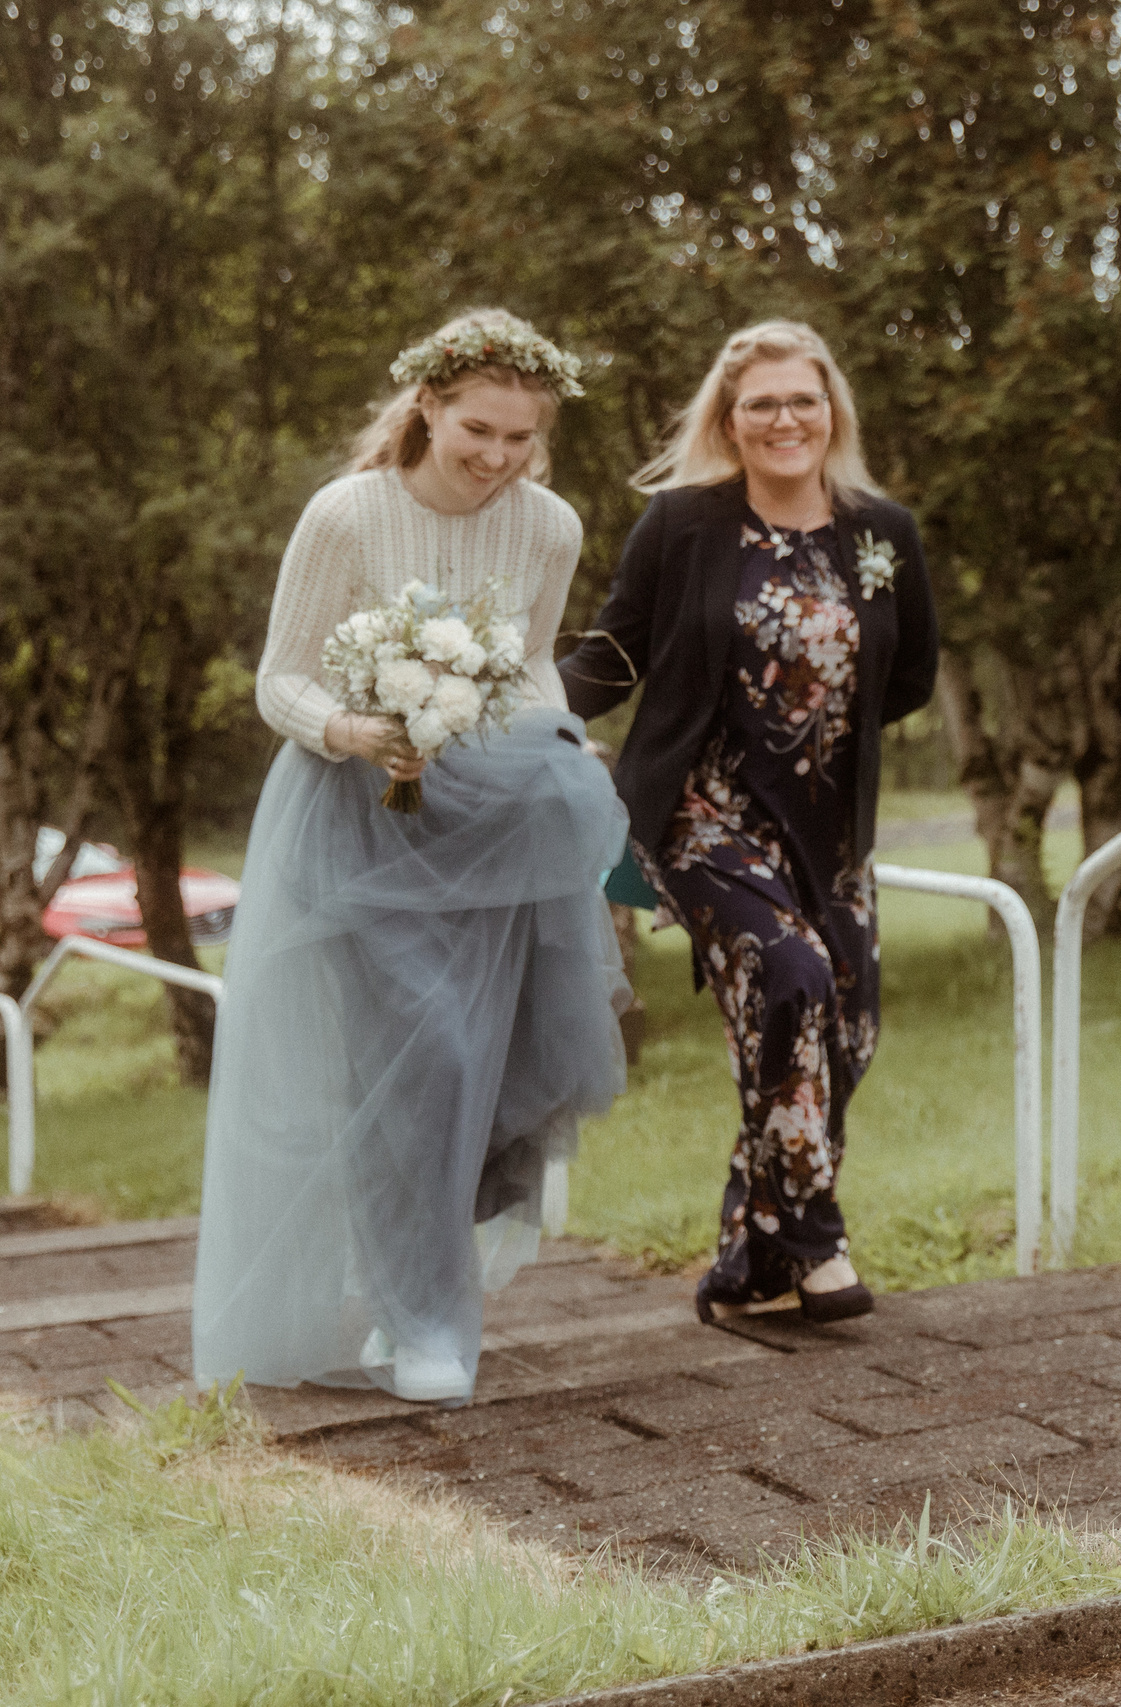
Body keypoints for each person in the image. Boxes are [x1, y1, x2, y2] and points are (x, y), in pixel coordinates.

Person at [193, 308, 630, 1407]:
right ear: (428, 407)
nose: (497, 457)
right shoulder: (346, 515)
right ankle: (424, 1311)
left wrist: (555, 738)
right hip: (357, 819)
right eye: (478, 430)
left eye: (521, 438)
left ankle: (413, 1289)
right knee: (419, 1051)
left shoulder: (550, 528)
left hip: (493, 820)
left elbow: (533, 666)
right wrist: (353, 730)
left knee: (487, 1060)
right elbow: (280, 679)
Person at [561, 322, 937, 1327]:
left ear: (831, 412)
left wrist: (812, 736)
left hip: (831, 830)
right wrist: (509, 711)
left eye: (802, 399)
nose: (784, 419)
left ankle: (749, 1251)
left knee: (843, 1036)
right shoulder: (682, 525)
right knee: (791, 977)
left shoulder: (883, 532)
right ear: (729, 422)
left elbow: (909, 676)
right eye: (761, 403)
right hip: (703, 814)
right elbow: (612, 654)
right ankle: (817, 1244)